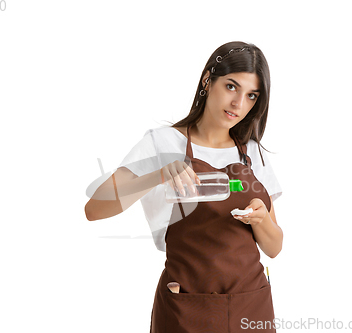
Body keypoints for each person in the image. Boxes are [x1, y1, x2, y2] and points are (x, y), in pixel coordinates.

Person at [85, 41, 283, 333]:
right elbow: (95, 209)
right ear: (208, 80)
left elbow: (274, 247)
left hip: (250, 306)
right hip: (186, 308)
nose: (238, 104)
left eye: (251, 95)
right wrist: (159, 175)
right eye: (231, 87)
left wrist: (261, 218)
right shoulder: (163, 143)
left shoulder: (252, 153)